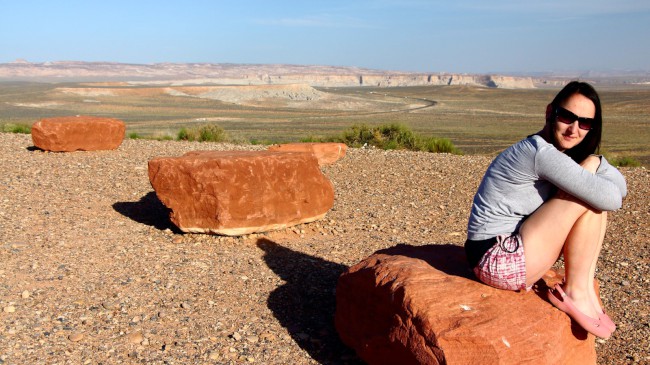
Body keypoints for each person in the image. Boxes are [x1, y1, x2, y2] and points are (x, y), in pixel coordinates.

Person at [464, 81, 627, 339]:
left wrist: (596, 162)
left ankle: (582, 290)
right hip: (495, 259)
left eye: (585, 123)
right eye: (567, 117)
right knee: (590, 200)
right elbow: (611, 197)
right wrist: (593, 166)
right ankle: (575, 292)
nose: (574, 129)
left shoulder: (556, 153)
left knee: (591, 197)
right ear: (550, 112)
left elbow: (620, 187)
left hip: (506, 252)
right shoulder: (540, 153)